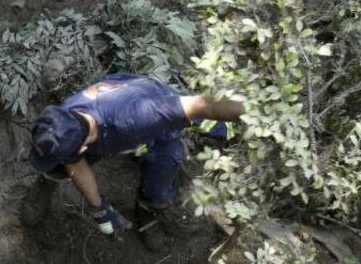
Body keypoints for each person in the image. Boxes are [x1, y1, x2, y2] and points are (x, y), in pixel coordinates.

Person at [28, 73, 243, 250]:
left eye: (72, 156)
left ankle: (147, 208)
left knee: (161, 176)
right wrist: (100, 208)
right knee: (59, 164)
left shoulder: (140, 118)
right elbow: (74, 163)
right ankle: (47, 183)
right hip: (118, 102)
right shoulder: (63, 121)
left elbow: (199, 104)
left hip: (152, 110)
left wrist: (252, 111)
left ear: (82, 149)